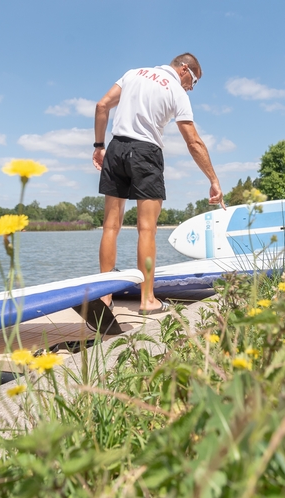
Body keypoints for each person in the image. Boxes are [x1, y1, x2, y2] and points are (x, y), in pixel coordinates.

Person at [93, 53, 225, 314]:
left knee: (110, 226)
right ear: (184, 68)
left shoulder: (133, 73)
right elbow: (193, 141)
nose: (191, 86)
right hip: (146, 153)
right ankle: (147, 300)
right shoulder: (177, 91)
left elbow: (101, 106)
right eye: (194, 81)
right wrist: (213, 179)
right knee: (146, 229)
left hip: (116, 147)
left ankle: (104, 298)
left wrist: (99, 146)